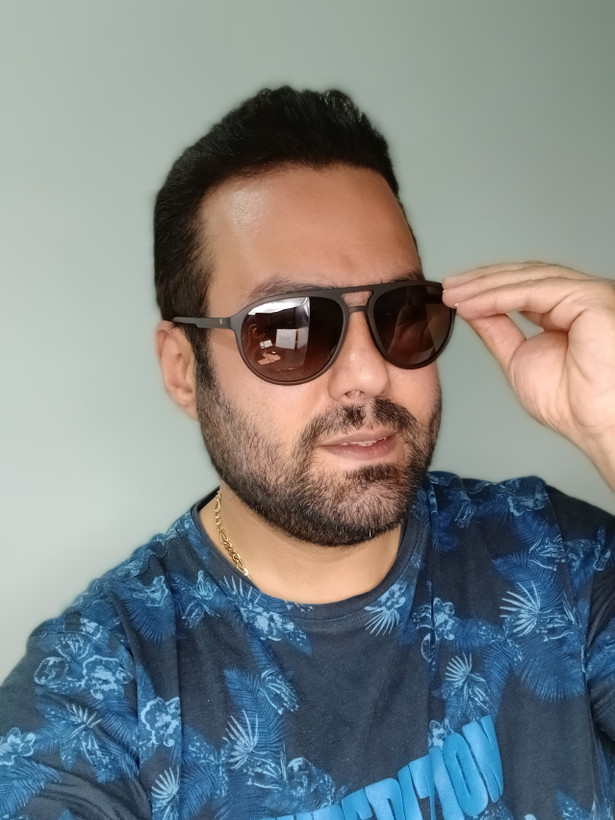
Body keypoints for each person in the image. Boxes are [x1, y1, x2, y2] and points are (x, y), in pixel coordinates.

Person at [1, 87, 614, 820]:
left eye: (398, 313)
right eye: (288, 329)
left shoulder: (549, 558)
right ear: (183, 369)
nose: (367, 374)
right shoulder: (99, 693)